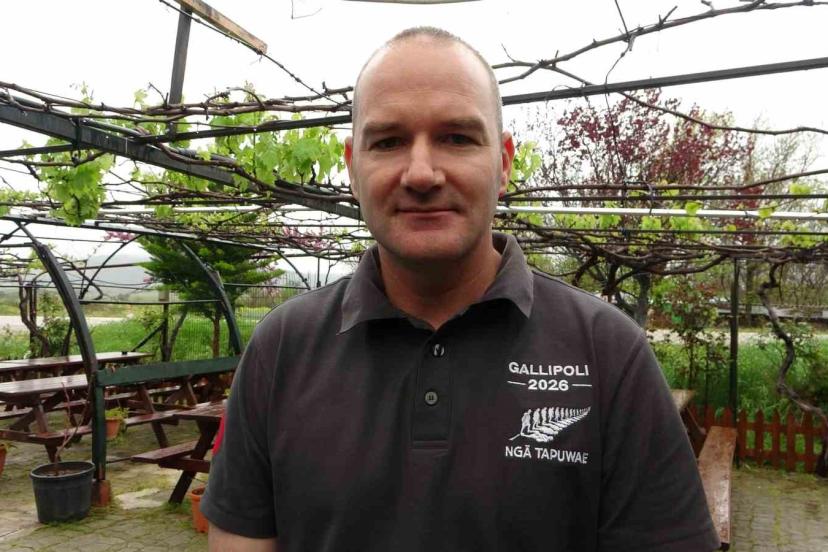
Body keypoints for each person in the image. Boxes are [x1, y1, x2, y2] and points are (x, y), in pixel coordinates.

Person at [201, 27, 720, 552]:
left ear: (504, 163)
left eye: (457, 138)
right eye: (388, 141)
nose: (421, 174)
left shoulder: (609, 351)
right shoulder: (281, 348)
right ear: (353, 167)